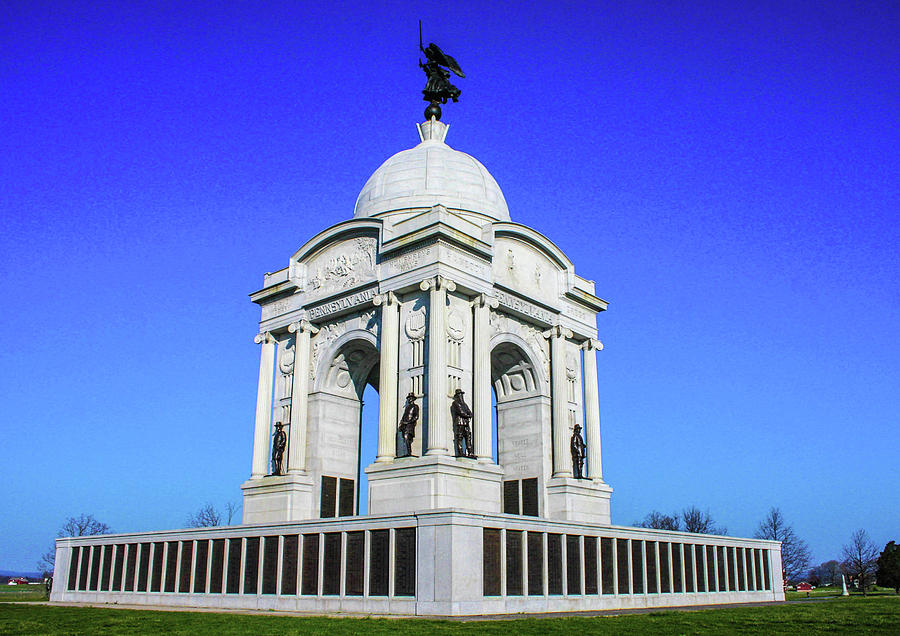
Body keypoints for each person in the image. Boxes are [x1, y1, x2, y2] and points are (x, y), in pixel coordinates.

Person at [450, 389, 475, 458]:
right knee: (459, 437)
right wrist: (468, 415)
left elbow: (468, 411)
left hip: (466, 422)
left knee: (468, 437)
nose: (461, 396)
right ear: (457, 396)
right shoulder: (455, 403)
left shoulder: (465, 404)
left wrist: (470, 414)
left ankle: (470, 452)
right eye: (459, 394)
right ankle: (460, 452)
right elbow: (460, 411)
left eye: (461, 394)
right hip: (460, 422)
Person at [397, 393, 419, 457]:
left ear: (413, 399)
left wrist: (409, 422)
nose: (409, 399)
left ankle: (409, 452)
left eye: (411, 398)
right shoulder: (407, 407)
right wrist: (402, 423)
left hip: (410, 425)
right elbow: (404, 416)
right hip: (405, 425)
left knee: (407, 437)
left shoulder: (415, 406)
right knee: (404, 438)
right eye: (408, 398)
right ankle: (407, 452)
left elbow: (416, 416)